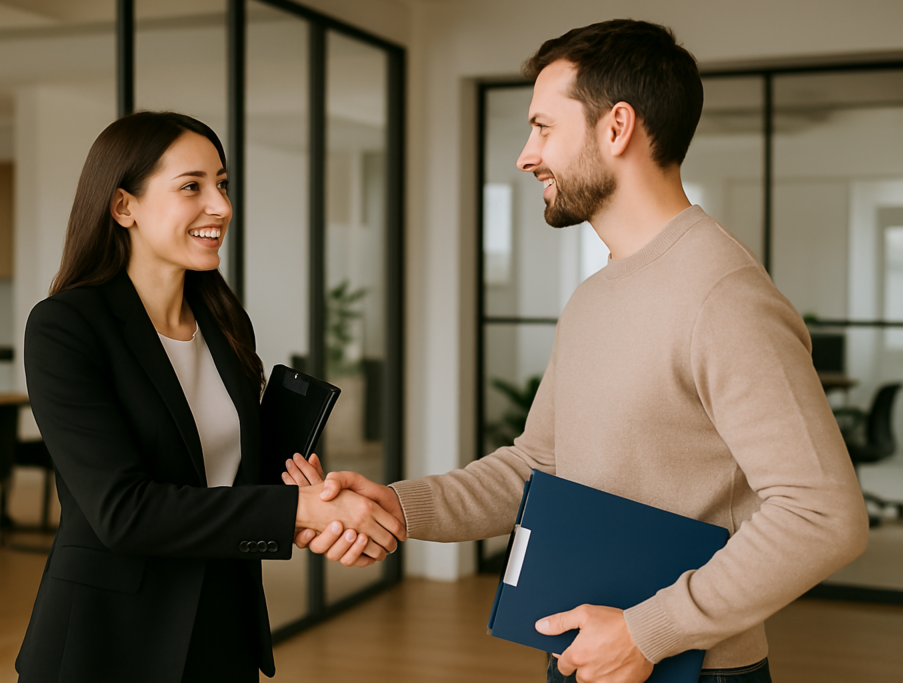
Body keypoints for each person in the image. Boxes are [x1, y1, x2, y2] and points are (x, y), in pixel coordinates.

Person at [284, 19, 869, 683]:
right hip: (588, 645)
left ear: (616, 127)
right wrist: (398, 507)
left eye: (543, 126)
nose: (526, 155)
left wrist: (647, 631)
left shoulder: (722, 293)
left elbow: (823, 514)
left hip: (687, 666)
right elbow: (537, 466)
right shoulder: (596, 293)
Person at [15, 111, 405, 683]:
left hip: (220, 630)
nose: (220, 207)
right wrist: (299, 509)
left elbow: (227, 485)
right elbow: (123, 512)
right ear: (124, 206)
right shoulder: (65, 327)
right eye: (191, 187)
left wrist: (302, 501)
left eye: (221, 184)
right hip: (108, 643)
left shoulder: (224, 323)